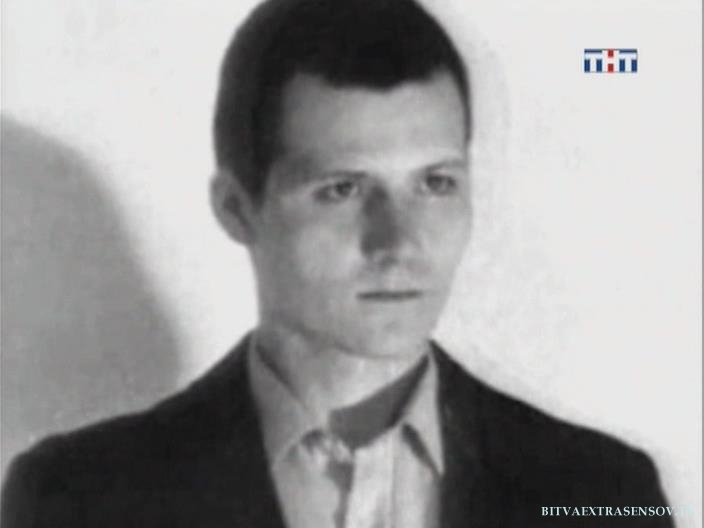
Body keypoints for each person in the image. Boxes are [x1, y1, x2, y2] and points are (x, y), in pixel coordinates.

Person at [1, 0, 672, 526]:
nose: (399, 242)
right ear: (236, 208)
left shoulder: (604, 494)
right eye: (342, 190)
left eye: (436, 183)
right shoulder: (75, 502)